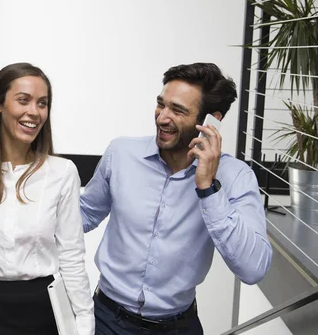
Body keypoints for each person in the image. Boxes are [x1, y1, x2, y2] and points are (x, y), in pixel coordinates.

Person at [80, 62, 273, 335]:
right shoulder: (121, 153)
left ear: (211, 121)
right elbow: (86, 213)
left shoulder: (236, 177)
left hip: (178, 327)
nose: (162, 117)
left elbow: (253, 269)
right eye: (162, 104)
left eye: (178, 110)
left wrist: (208, 187)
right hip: (106, 321)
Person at [0, 63, 95, 335]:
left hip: (45, 314)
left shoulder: (62, 173)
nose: (34, 112)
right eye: (23, 100)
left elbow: (72, 255)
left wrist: (84, 324)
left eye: (42, 103)